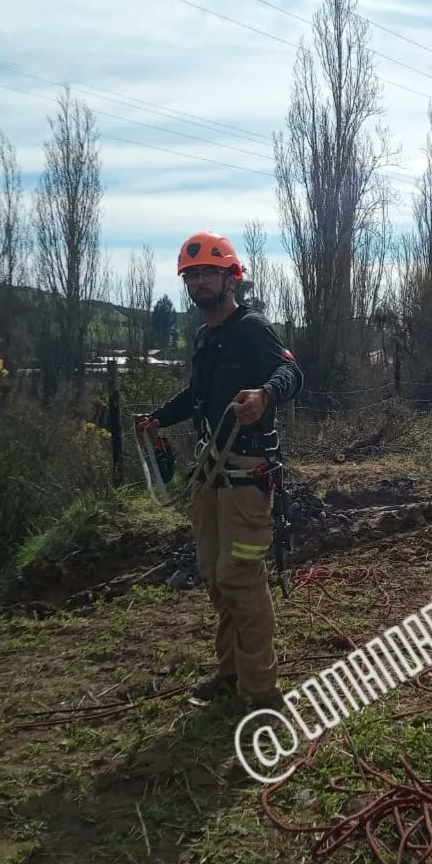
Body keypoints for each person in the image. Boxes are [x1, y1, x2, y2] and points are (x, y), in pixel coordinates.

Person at [135, 232, 303, 711]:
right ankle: (229, 673)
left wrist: (266, 395)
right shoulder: (206, 338)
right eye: (192, 275)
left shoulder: (251, 328)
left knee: (241, 575)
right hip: (211, 468)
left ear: (232, 278)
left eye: (210, 272)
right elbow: (197, 396)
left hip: (248, 469)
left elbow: (291, 372)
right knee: (214, 574)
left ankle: (263, 692)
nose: (200, 281)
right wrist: (159, 419)